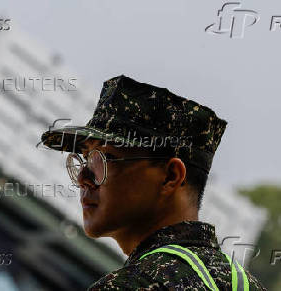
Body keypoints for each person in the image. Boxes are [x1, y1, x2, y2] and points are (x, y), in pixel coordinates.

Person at [40, 75, 267, 290]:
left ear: (171, 176)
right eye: (85, 158)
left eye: (103, 159)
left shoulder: (134, 285)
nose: (83, 178)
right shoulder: (241, 283)